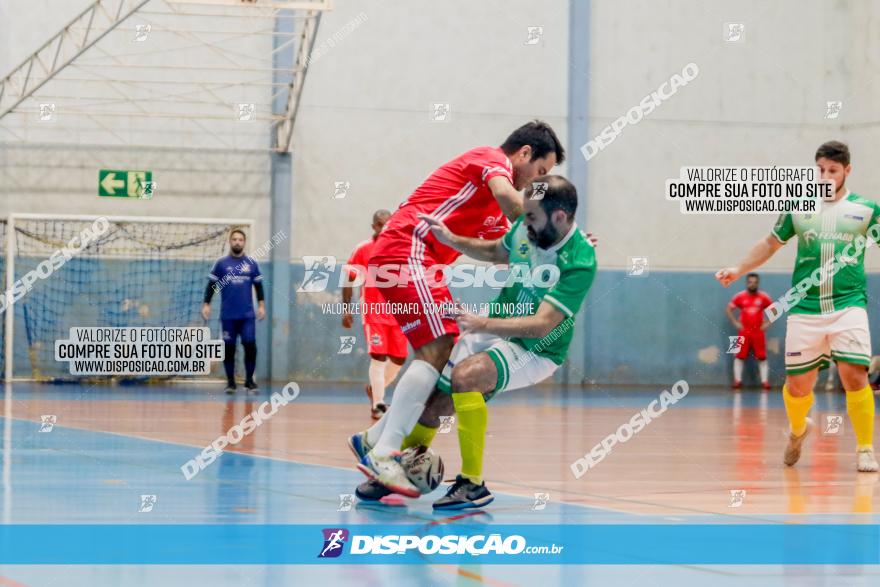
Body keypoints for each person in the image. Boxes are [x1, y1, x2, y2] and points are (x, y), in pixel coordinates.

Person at [351, 176, 596, 508]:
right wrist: (450, 238)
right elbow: (496, 250)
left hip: (536, 349)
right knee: (434, 396)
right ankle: (393, 468)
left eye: (532, 217)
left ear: (560, 218)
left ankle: (473, 484)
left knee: (466, 377)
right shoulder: (528, 229)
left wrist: (482, 322)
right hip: (497, 327)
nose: (524, 223)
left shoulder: (579, 260)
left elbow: (542, 325)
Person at [716, 141, 878, 472]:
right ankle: (798, 430)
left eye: (832, 170)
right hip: (805, 308)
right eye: (820, 170)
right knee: (796, 387)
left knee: (855, 377)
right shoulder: (798, 207)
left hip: (849, 305)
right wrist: (738, 270)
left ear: (847, 171)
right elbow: (769, 244)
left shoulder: (866, 210)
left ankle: (865, 448)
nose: (825, 176)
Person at [342, 210, 408, 420]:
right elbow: (348, 278)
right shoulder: (363, 250)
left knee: (399, 359)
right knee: (378, 357)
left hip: (398, 313)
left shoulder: (401, 248)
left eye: (388, 224)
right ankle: (378, 404)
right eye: (380, 225)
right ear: (374, 227)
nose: (384, 228)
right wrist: (346, 308)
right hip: (374, 312)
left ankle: (375, 390)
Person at [202, 229, 266, 394]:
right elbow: (211, 286)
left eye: (240, 240)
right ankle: (230, 382)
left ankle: (249, 381)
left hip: (247, 316)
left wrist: (261, 306)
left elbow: (258, 286)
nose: (237, 242)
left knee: (250, 347)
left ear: (244, 242)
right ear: (230, 242)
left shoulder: (251, 263)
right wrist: (206, 304)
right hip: (228, 316)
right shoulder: (221, 263)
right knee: (229, 349)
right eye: (235, 239)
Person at [726, 273, 773, 390]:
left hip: (758, 332)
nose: (752, 284)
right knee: (738, 356)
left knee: (762, 357)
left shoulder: (764, 297)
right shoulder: (739, 296)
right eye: (750, 282)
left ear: (758, 283)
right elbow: (728, 309)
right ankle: (737, 381)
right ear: (747, 283)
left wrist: (768, 323)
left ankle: (765, 382)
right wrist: (735, 322)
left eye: (755, 282)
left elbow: (775, 310)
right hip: (742, 332)